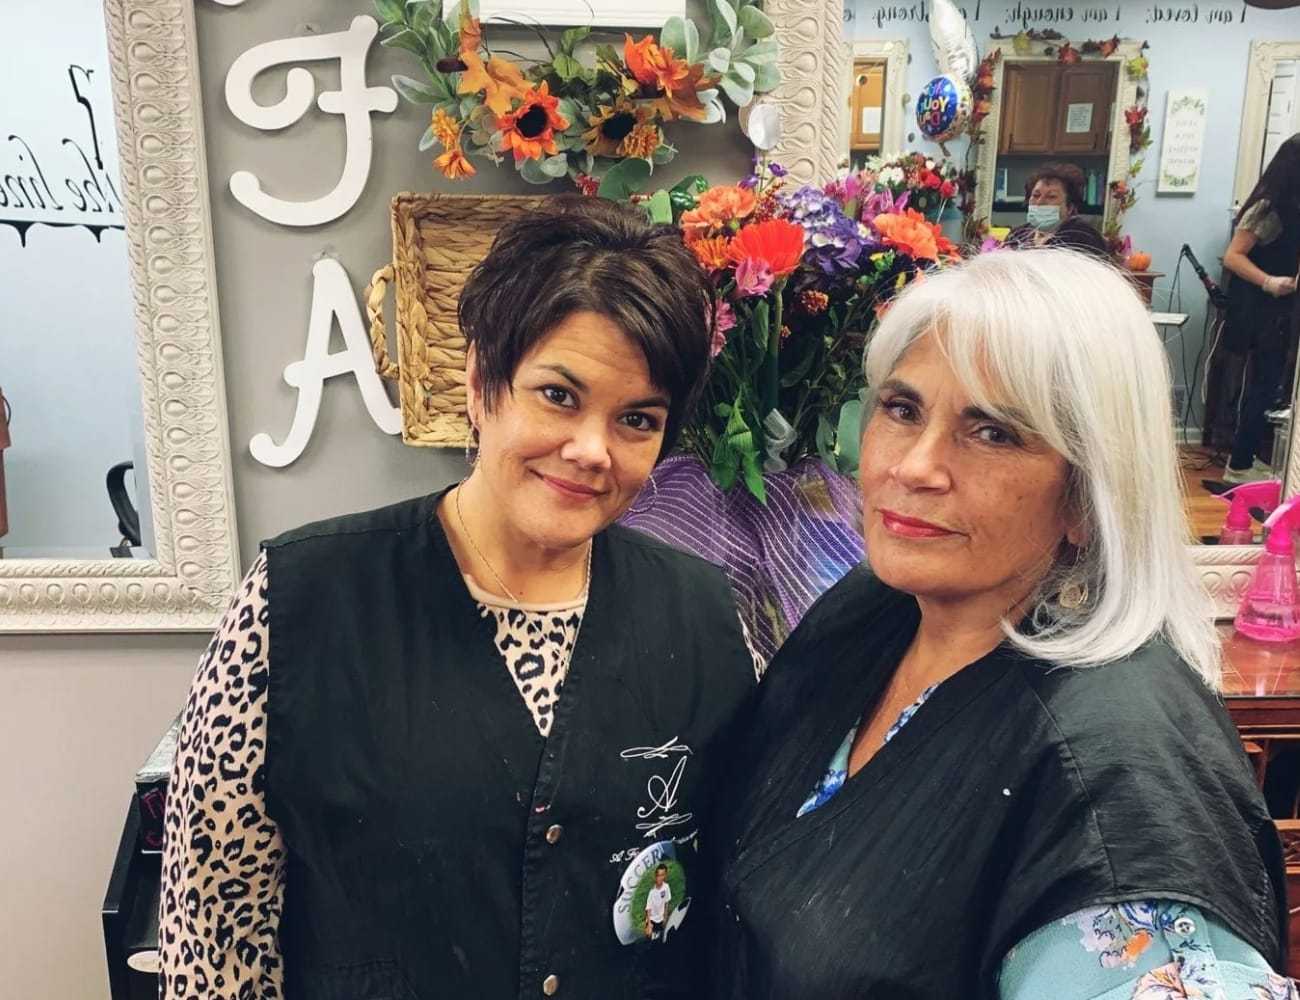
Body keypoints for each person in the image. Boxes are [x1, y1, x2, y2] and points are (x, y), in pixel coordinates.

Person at [158, 196, 757, 1000]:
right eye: (558, 395)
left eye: (637, 419)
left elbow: (724, 908)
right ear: (481, 383)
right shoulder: (300, 605)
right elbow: (216, 930)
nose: (591, 450)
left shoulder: (707, 622)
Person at [709, 248, 1292, 1000]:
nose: (915, 466)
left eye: (992, 433)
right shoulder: (877, 608)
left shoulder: (1115, 775)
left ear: (1089, 493)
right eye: (902, 408)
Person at [1222, 133, 1300, 483]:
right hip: (1259, 308)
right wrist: (1270, 281)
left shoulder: (1293, 207)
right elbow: (1233, 257)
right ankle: (1240, 463)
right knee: (1262, 383)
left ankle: (1244, 459)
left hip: (1280, 310)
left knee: (1270, 385)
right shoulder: (1267, 208)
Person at [1003, 162, 1109, 257]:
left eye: (1051, 197)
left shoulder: (1085, 238)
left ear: (1070, 207)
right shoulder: (1017, 235)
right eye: (1036, 195)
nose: (1040, 202)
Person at [644, 864, 674, 942]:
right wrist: (649, 923)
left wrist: (665, 916)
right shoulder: (652, 892)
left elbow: (666, 902)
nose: (660, 878)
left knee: (663, 936)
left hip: (661, 917)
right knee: (649, 935)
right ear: (656, 876)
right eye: (658, 875)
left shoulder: (666, 887)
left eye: (662, 875)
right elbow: (648, 908)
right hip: (652, 919)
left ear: (665, 875)